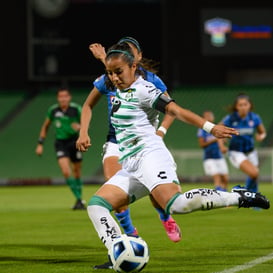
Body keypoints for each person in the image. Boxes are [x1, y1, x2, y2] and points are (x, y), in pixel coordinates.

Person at [76, 43, 270, 266]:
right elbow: (116, 70)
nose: (114, 77)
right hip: (130, 164)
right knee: (96, 205)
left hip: (150, 156)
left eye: (118, 72)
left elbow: (175, 111)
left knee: (177, 205)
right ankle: (118, 251)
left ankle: (238, 197)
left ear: (133, 66)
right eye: (110, 73)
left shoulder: (144, 89)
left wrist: (210, 127)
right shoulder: (116, 81)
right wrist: (105, 60)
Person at [79, 37, 179, 269]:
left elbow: (171, 109)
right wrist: (83, 132)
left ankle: (165, 216)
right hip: (116, 142)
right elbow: (90, 102)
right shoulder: (111, 77)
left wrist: (161, 132)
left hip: (144, 145)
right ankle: (127, 240)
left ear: (138, 58)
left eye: (130, 52)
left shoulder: (151, 81)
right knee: (114, 197)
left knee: (158, 193)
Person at [35, 88, 85, 210]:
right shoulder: (53, 110)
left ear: (69, 97)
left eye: (65, 96)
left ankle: (79, 199)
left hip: (75, 142)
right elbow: (45, 126)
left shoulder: (76, 109)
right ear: (58, 98)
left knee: (77, 172)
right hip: (61, 143)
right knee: (66, 171)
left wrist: (80, 128)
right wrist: (40, 143)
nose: (63, 99)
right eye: (60, 96)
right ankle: (79, 198)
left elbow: (85, 125)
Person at [219, 93, 267, 193]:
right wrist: (221, 145)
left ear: (250, 105)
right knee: (254, 173)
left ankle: (252, 199)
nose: (243, 107)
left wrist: (260, 136)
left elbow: (262, 132)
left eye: (245, 104)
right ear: (236, 107)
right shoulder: (231, 118)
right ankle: (238, 191)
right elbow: (218, 130)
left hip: (251, 152)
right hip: (236, 152)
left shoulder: (254, 118)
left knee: (254, 176)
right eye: (240, 105)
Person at [197, 110, 229, 191]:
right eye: (206, 116)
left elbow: (223, 140)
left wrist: (223, 141)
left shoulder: (217, 128)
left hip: (219, 157)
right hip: (209, 158)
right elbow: (202, 144)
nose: (209, 117)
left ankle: (225, 198)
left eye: (210, 115)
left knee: (225, 179)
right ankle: (219, 197)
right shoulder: (202, 130)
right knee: (217, 177)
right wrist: (214, 139)